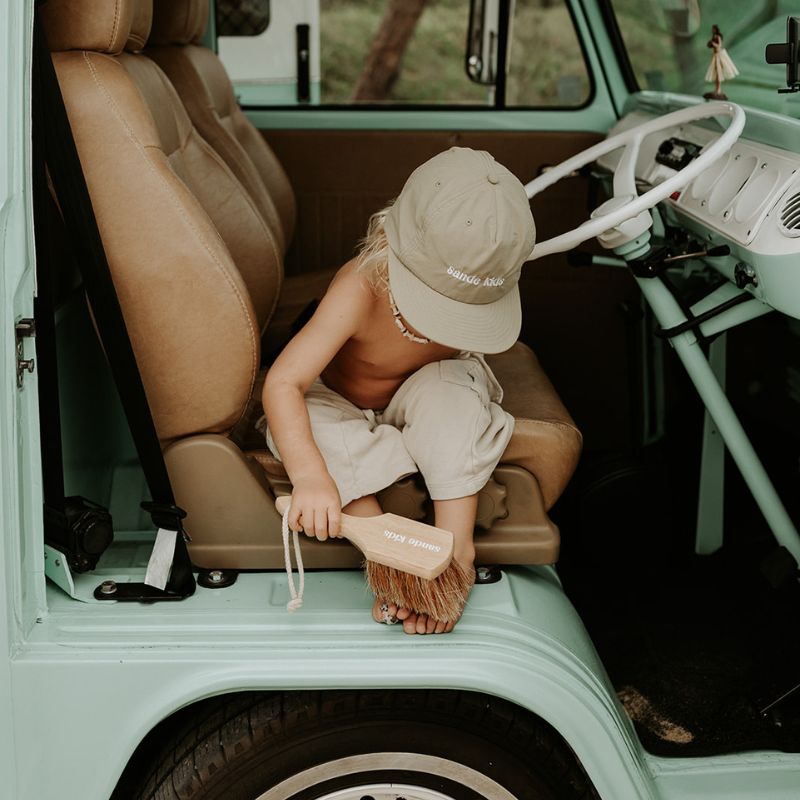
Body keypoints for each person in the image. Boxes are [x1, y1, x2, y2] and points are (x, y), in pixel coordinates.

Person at [260, 147, 536, 634]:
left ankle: (457, 548)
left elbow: (451, 393)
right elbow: (284, 381)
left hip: (420, 394)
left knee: (455, 393)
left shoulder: (479, 274)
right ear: (388, 236)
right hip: (339, 397)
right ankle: (387, 551)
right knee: (313, 422)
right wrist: (309, 477)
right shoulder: (361, 287)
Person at [704, 24, 739, 100]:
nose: (712, 30)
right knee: (716, 74)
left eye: (713, 29)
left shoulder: (718, 37)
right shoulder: (714, 37)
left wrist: (713, 44)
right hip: (715, 55)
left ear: (716, 29)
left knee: (719, 73)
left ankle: (718, 90)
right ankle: (717, 90)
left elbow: (719, 45)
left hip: (719, 55)